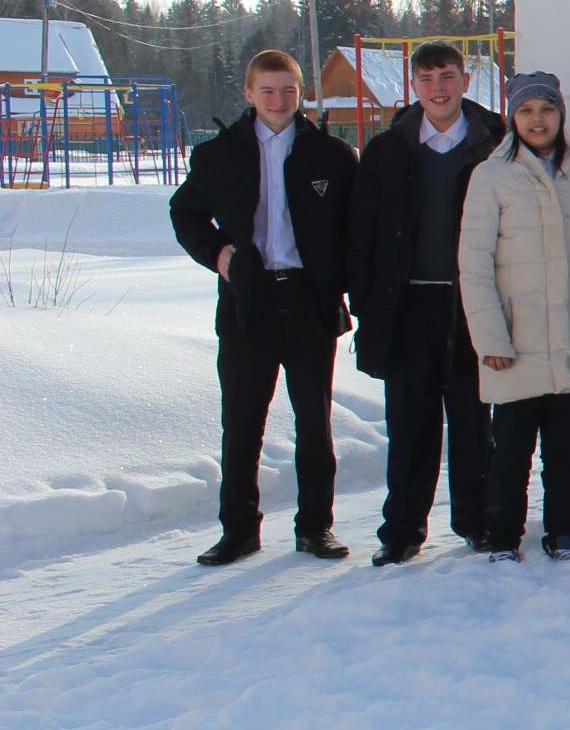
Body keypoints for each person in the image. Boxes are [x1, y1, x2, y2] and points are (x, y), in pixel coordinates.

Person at [171, 49, 360, 566]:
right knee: (242, 423)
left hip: (308, 302)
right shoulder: (218, 155)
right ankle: (238, 531)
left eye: (289, 90)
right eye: (268, 90)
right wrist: (218, 254)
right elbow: (185, 213)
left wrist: (344, 287)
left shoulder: (332, 156)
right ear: (249, 93)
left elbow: (355, 230)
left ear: (302, 94)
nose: (279, 100)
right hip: (247, 302)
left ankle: (315, 527)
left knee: (314, 422)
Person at [349, 40, 505, 565]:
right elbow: (362, 231)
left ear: (465, 81)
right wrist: (367, 302)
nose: (438, 88)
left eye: (447, 76)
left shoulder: (494, 145)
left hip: (471, 304)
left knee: (472, 421)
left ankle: (477, 521)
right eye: (427, 78)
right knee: (409, 425)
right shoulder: (388, 149)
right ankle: (402, 531)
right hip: (408, 306)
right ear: (413, 86)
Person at [457, 71, 570, 563]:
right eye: (526, 111)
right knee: (511, 450)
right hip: (517, 338)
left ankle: (562, 531)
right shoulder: (491, 175)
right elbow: (474, 264)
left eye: (546, 109)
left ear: (560, 114)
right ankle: (503, 536)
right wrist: (491, 338)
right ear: (513, 117)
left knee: (566, 450)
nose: (537, 119)